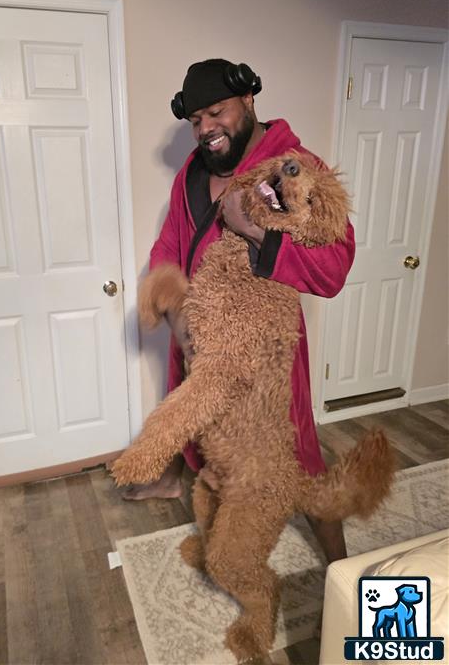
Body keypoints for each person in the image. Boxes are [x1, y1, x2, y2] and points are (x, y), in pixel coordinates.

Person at [123, 58, 355, 563]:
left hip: (265, 354)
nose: (206, 129)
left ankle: (341, 565)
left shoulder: (294, 167)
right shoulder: (192, 172)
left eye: (217, 112)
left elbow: (334, 267)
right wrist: (177, 316)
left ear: (248, 100)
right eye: (196, 120)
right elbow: (169, 246)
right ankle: (202, 510)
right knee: (213, 442)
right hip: (199, 338)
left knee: (299, 460)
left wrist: (253, 230)